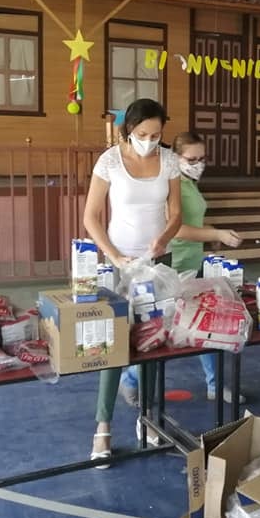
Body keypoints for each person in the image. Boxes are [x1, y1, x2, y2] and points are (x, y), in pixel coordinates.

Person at [83, 98, 182, 465]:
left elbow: (176, 212)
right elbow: (91, 217)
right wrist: (113, 255)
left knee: (154, 345)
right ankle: (103, 427)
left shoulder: (168, 161)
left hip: (157, 262)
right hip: (118, 263)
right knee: (111, 347)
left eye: (156, 134)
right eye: (143, 134)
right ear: (128, 129)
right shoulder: (109, 161)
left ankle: (150, 417)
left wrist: (165, 237)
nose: (150, 140)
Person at [168, 131, 247, 403]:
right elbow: (175, 230)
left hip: (194, 261)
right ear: (176, 158)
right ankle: (132, 380)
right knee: (164, 331)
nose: (199, 163)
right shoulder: (172, 184)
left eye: (202, 158)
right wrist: (217, 235)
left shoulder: (189, 183)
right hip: (173, 266)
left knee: (209, 326)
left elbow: (195, 224)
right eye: (192, 158)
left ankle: (215, 384)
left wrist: (212, 233)